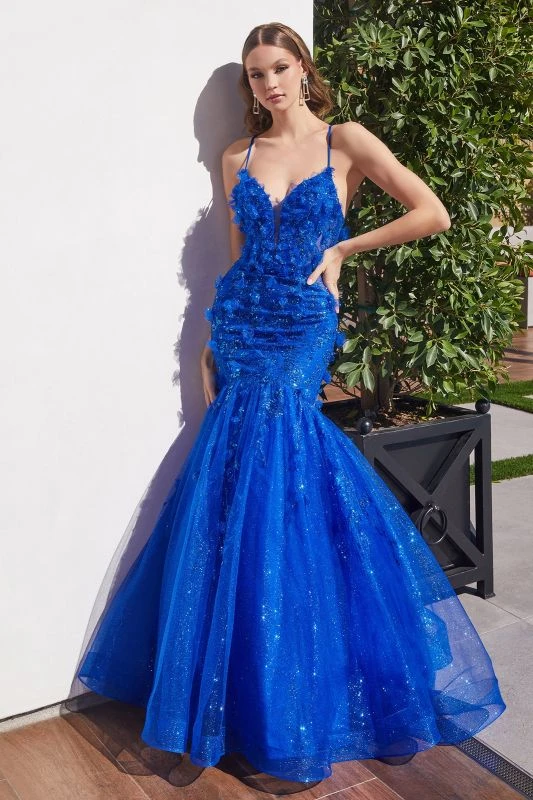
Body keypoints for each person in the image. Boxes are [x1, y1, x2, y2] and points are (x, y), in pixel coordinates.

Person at [74, 22, 506, 785]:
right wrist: (212, 338)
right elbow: (237, 256)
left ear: (303, 68)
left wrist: (340, 248)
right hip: (241, 324)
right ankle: (239, 684)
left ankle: (291, 699)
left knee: (288, 465)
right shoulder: (234, 156)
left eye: (278, 67)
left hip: (302, 324)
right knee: (234, 483)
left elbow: (430, 211)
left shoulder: (346, 141)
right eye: (255, 74)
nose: (268, 83)